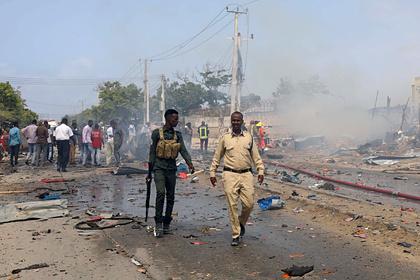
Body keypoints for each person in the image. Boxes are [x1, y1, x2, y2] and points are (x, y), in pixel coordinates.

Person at [209, 111, 264, 247]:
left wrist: (261, 170)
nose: (235, 123)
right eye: (233, 120)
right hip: (230, 175)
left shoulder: (249, 138)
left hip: (246, 175)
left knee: (249, 204)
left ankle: (240, 223)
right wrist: (212, 173)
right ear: (231, 121)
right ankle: (236, 234)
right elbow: (217, 157)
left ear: (242, 121)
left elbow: (256, 157)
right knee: (232, 205)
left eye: (238, 120)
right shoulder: (225, 138)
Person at [147, 109, 194, 238]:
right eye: (174, 119)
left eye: (177, 119)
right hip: (159, 168)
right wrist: (149, 171)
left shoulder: (177, 135)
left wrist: (190, 163)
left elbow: (183, 150)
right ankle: (158, 223)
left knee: (171, 196)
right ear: (167, 119)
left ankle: (167, 222)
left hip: (171, 169)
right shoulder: (157, 134)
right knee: (161, 193)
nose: (176, 121)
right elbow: (152, 152)